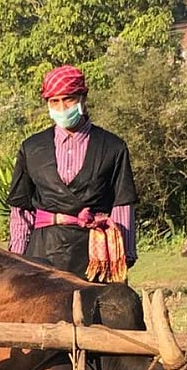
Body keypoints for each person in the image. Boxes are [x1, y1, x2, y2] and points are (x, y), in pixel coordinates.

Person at [7, 65, 138, 282]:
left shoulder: (113, 147)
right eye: (54, 101)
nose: (61, 107)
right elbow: (21, 209)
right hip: (43, 254)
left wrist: (123, 257)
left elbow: (122, 204)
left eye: (68, 99)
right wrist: (17, 259)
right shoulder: (31, 149)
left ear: (83, 98)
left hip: (96, 253)